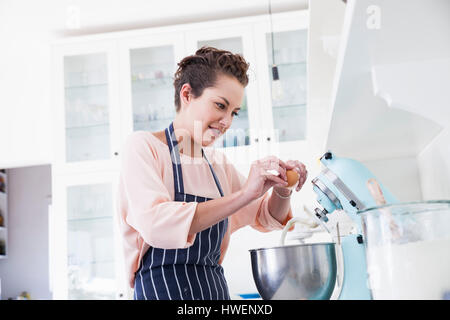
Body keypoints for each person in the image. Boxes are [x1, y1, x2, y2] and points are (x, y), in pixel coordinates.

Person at [117, 46, 308, 300]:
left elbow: (267, 216)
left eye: (234, 113)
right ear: (187, 94)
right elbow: (156, 224)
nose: (227, 121)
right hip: (162, 290)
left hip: (213, 291)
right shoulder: (144, 147)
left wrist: (282, 189)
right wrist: (244, 195)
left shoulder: (218, 165)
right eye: (220, 105)